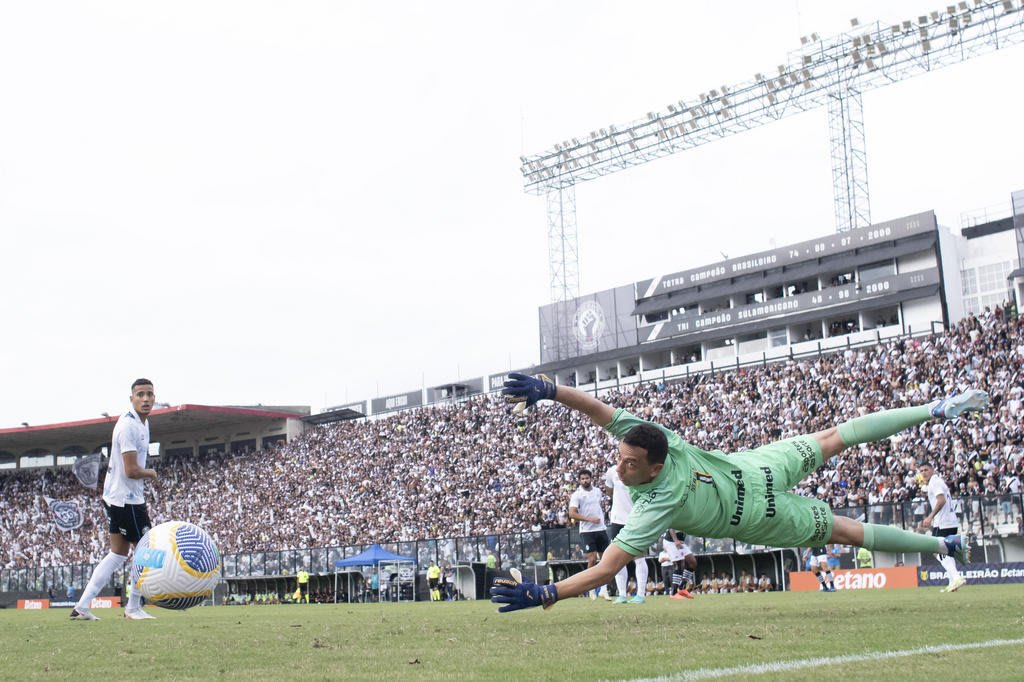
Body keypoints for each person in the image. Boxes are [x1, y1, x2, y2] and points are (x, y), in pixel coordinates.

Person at [490, 373, 984, 612]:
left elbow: (606, 567)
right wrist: (552, 391)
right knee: (843, 490)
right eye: (620, 458)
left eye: (630, 464)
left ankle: (943, 529)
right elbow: (597, 410)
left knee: (846, 516)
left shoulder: (659, 502)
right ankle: (942, 535)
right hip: (759, 472)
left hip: (759, 504)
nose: (620, 467)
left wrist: (548, 592)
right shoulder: (655, 439)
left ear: (656, 465)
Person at [72, 378, 158, 621]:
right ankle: (132, 607)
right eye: (140, 394)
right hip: (126, 499)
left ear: (154, 398)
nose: (145, 399)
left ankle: (82, 607)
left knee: (118, 553)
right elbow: (131, 470)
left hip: (118, 496)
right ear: (131, 398)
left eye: (149, 394)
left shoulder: (144, 421)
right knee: (145, 552)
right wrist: (151, 473)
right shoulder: (128, 426)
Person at [602, 464, 649, 604]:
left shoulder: (640, 468)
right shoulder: (611, 471)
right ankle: (622, 594)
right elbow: (609, 491)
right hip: (617, 519)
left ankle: (641, 595)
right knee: (618, 558)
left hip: (635, 518)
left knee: (639, 556)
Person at [917, 462, 967, 593]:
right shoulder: (936, 481)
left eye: (926, 470)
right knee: (947, 551)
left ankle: (956, 577)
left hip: (943, 522)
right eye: (921, 471)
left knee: (937, 550)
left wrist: (930, 517)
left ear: (932, 470)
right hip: (950, 521)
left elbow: (941, 500)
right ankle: (953, 582)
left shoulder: (935, 482)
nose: (924, 473)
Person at [567, 469, 611, 601]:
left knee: (605, 560)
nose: (585, 480)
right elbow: (572, 514)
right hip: (587, 531)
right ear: (579, 481)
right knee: (592, 560)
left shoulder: (597, 491)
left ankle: (604, 590)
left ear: (591, 478)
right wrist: (589, 519)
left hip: (601, 529)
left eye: (587, 478)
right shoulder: (577, 495)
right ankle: (591, 589)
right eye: (582, 479)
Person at [663, 529, 696, 600]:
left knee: (692, 563)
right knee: (679, 564)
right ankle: (674, 593)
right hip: (671, 541)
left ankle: (681, 588)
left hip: (680, 541)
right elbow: (671, 527)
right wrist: (676, 540)